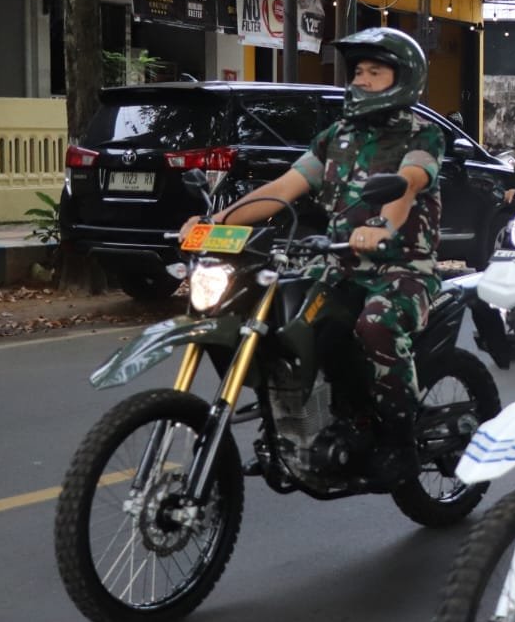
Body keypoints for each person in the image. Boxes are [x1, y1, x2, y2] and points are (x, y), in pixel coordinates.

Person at [179, 28, 443, 481]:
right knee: (280, 315)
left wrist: (381, 225)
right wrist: (216, 223)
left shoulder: (422, 134)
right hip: (336, 263)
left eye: (374, 72)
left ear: (401, 80)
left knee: (375, 325)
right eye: (358, 71)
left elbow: (410, 181)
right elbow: (285, 188)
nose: (361, 80)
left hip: (400, 268)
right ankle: (302, 420)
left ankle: (402, 439)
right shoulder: (336, 136)